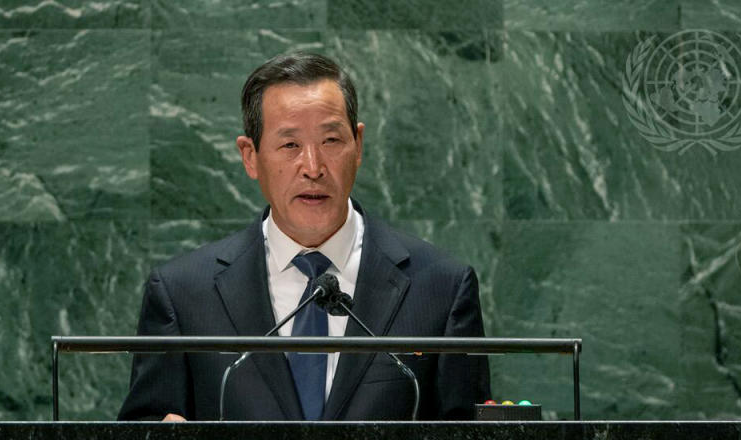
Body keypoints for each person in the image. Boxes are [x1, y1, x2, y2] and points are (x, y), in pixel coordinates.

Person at [118, 52, 490, 421]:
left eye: (331, 140)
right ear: (250, 156)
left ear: (358, 145)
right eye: (290, 145)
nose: (313, 167)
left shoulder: (440, 290)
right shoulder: (183, 295)